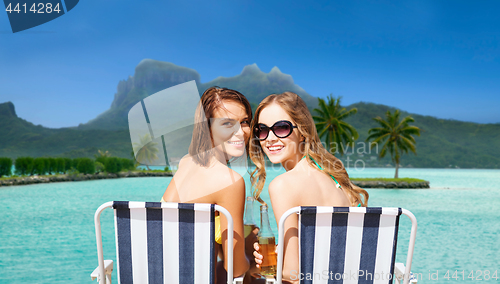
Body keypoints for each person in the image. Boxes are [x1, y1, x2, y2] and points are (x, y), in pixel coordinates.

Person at [249, 92, 369, 284]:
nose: (269, 138)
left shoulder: (282, 185)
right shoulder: (334, 175)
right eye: (262, 130)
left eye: (281, 128)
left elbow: (292, 273)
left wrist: (260, 267)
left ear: (303, 130)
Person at [161, 86, 258, 283]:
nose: (241, 132)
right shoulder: (229, 181)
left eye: (245, 122)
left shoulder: (186, 162)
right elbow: (235, 269)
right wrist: (253, 263)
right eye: (228, 123)